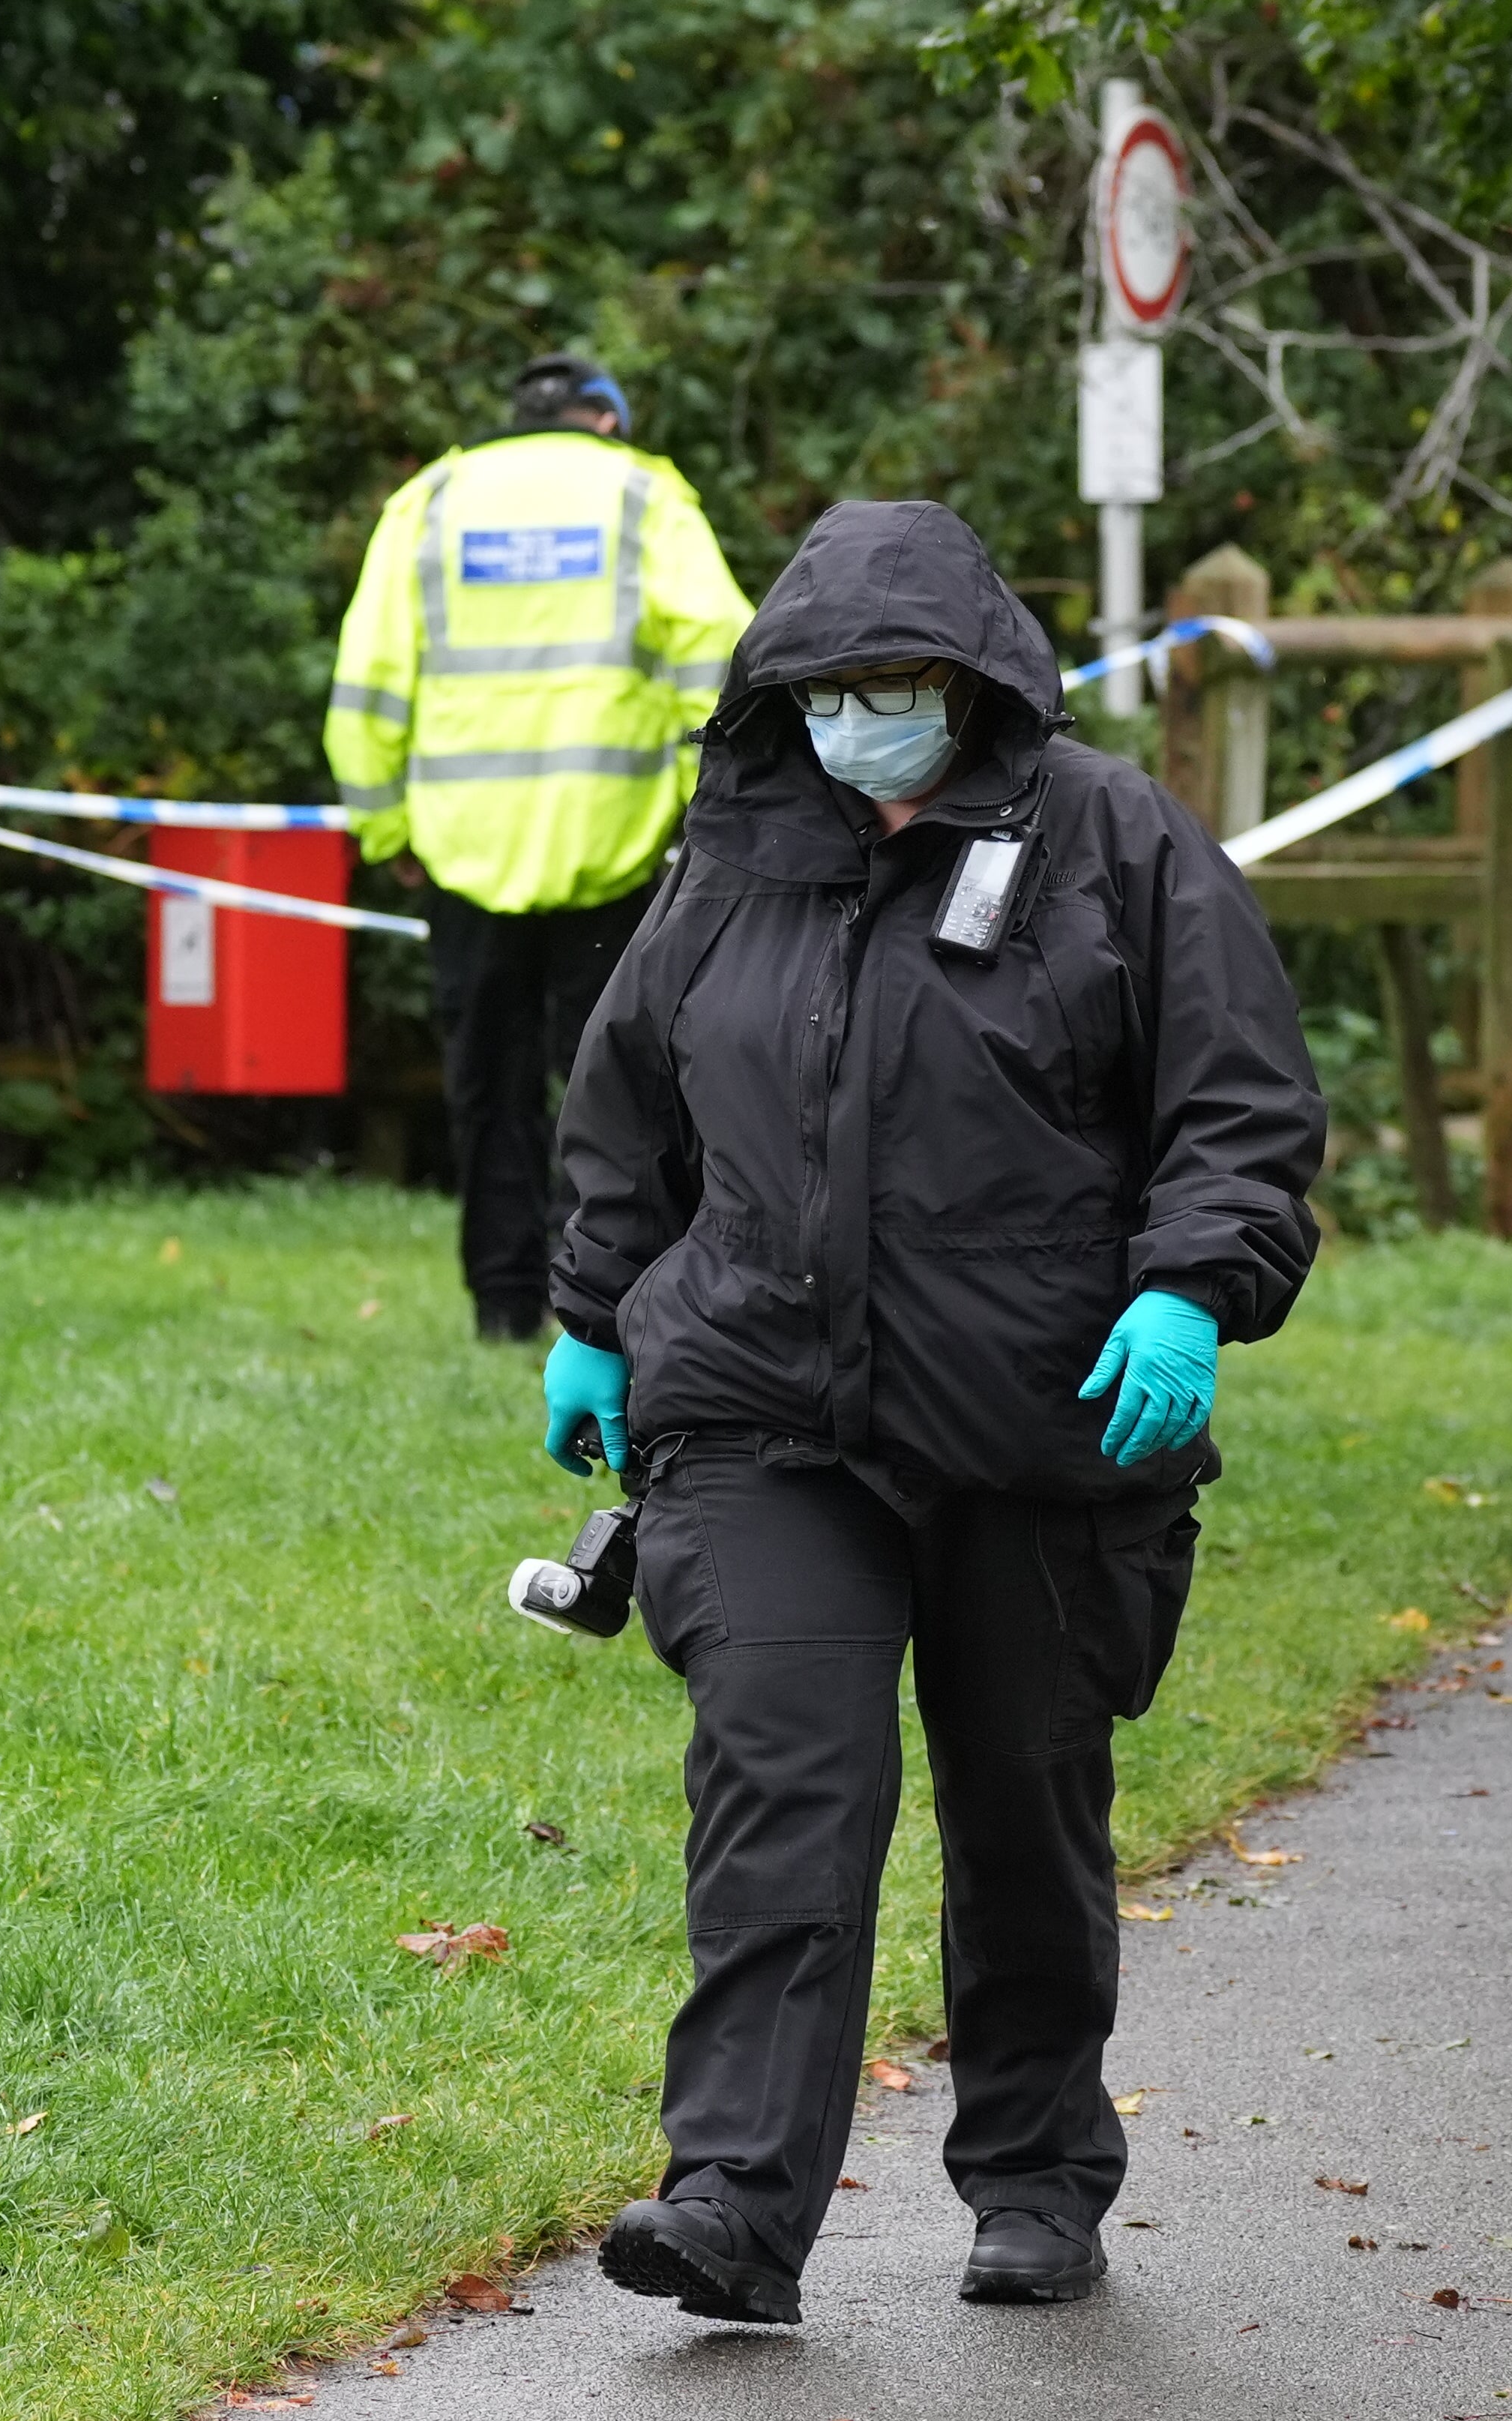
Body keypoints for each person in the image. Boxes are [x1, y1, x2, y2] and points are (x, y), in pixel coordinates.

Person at [534, 499, 1325, 2324]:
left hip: (1041, 1422)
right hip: (762, 1406)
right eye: (820, 690)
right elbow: (628, 1097)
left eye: (891, 687)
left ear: (971, 686)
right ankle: (732, 2197)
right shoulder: (733, 854)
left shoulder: (1111, 840)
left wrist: (1187, 1286)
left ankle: (1037, 2173)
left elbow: (1242, 1105)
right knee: (783, 1785)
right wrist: (595, 1314)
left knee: (1021, 1798)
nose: (853, 722)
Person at [325, 352, 756, 1341]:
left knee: (487, 1090)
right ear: (605, 420)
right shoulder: (646, 496)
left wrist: (387, 828)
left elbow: (366, 687)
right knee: (613, 1092)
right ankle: (594, 1305)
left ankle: (502, 1304)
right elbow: (723, 664)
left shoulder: (428, 503)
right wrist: (712, 819)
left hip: (460, 850)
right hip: (612, 846)